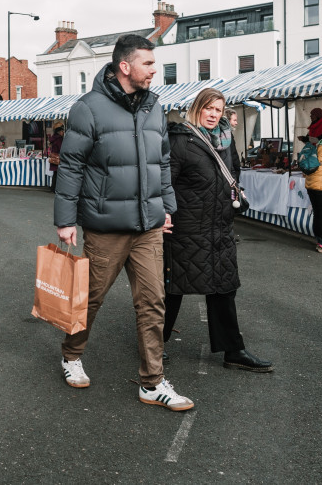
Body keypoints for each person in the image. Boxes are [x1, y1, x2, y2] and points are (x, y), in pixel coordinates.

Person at [54, 34, 193, 412]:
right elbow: (71, 166)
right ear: (125, 66)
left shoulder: (155, 107)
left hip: (148, 226)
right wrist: (65, 219)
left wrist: (167, 207)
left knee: (153, 303)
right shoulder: (88, 109)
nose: (154, 70)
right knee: (91, 300)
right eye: (148, 64)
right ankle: (71, 355)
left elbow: (162, 162)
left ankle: (152, 382)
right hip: (105, 227)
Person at [163, 89, 273, 372]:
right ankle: (154, 345)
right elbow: (164, 183)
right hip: (185, 228)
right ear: (197, 108)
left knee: (224, 288)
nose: (213, 115)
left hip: (219, 226)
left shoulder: (226, 140)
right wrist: (164, 214)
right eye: (209, 109)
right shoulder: (180, 140)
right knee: (172, 288)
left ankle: (233, 351)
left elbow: (233, 171)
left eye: (219, 110)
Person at [47, 125, 64, 192]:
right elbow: (61, 148)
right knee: (58, 174)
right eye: (62, 131)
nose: (63, 132)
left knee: (55, 174)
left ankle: (53, 187)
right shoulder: (59, 139)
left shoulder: (53, 138)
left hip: (54, 157)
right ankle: (55, 188)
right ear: (59, 132)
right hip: (58, 157)